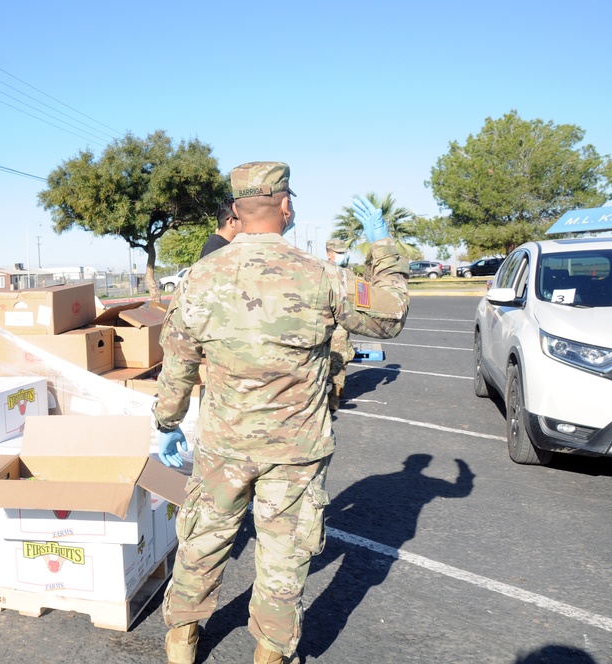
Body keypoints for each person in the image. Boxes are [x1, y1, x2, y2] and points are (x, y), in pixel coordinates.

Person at [153, 162, 410, 664]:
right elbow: (390, 315)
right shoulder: (321, 275)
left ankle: (181, 640)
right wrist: (382, 247)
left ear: (235, 210)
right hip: (294, 450)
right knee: (283, 556)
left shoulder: (200, 277)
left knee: (203, 540)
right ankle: (269, 652)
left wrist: (166, 421)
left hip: (223, 446)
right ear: (286, 207)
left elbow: (178, 362)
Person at [324, 239, 357, 412]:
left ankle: (336, 393)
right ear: (330, 254)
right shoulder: (320, 270)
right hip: (325, 320)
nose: (344, 256)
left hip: (341, 323)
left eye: (345, 252)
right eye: (340, 253)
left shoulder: (348, 273)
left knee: (341, 356)